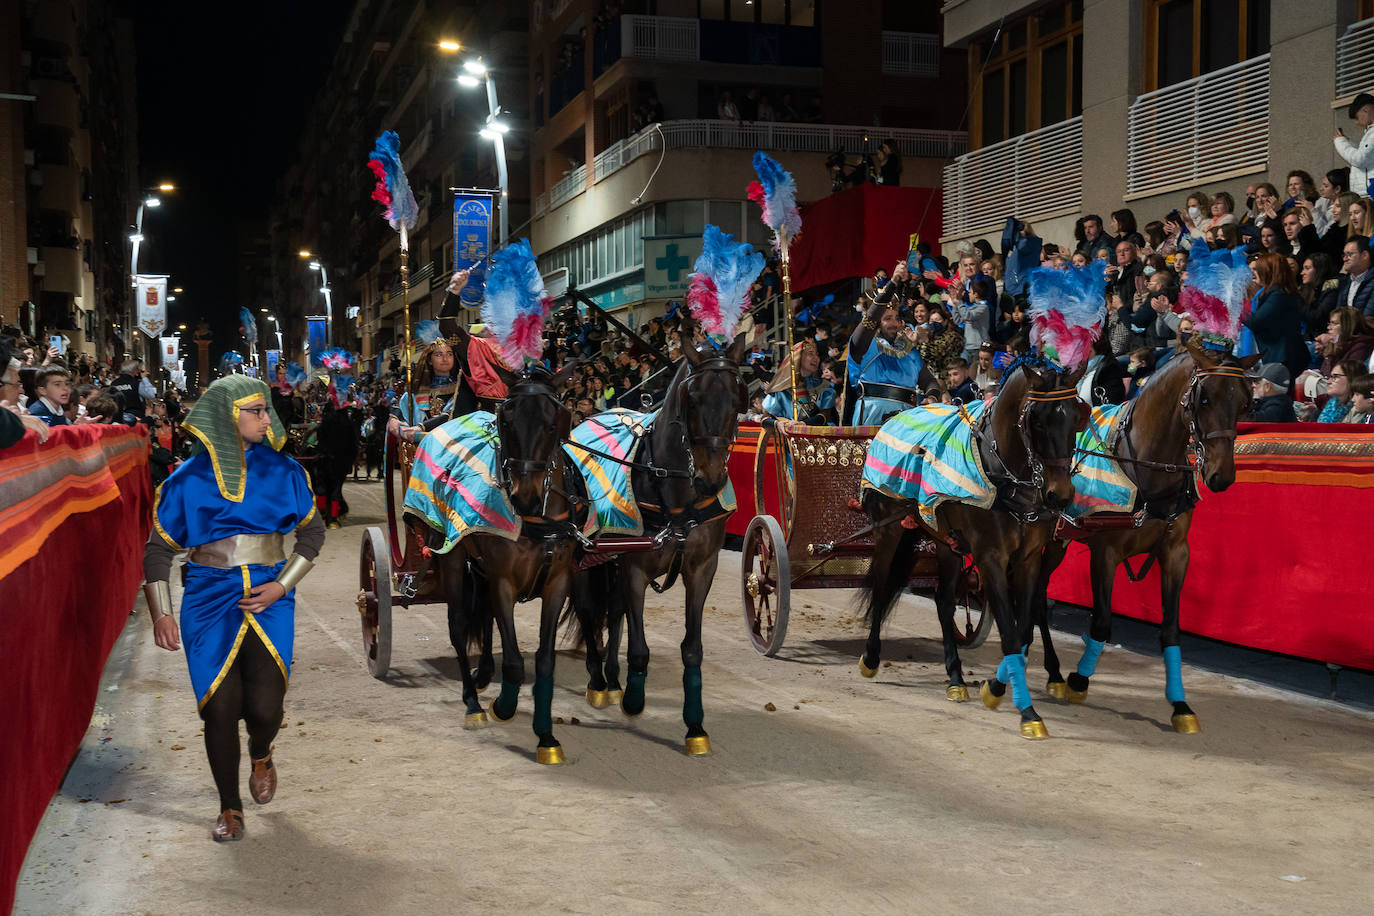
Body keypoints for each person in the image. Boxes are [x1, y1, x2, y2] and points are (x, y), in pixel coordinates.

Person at [142, 375, 325, 842]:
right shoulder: (184, 480)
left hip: (269, 596)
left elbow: (312, 534)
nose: (268, 419)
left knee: (265, 708)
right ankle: (229, 806)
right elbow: (158, 550)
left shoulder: (286, 472)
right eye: (256, 411)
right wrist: (161, 611)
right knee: (219, 709)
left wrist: (281, 588)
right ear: (228, 416)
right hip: (206, 600)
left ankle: (262, 751)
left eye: (267, 411)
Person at [848, 260, 924, 425]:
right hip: (874, 416)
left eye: (897, 318)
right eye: (887, 318)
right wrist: (893, 282)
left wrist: (932, 395)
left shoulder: (908, 349)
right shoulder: (863, 343)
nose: (894, 323)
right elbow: (870, 320)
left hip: (908, 419)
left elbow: (928, 380)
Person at [1245, 253, 1310, 384]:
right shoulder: (1274, 292)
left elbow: (1255, 322)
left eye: (1258, 269)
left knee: (1276, 398)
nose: (1254, 273)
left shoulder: (1278, 294)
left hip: (1283, 357)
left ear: (1268, 272)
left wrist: (1236, 308)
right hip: (1279, 356)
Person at [763, 338, 836, 424]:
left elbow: (825, 415)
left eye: (817, 354)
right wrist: (778, 424)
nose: (816, 358)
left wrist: (803, 424)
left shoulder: (824, 386)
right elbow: (765, 416)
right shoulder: (782, 388)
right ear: (798, 357)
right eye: (810, 354)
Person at [1334, 92, 1374, 200]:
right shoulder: (1370, 133)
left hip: (1370, 195)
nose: (1357, 123)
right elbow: (1367, 156)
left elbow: (1359, 159)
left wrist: (1340, 143)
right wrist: (1348, 143)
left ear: (1365, 110)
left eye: (1356, 118)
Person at [1335, 236, 1374, 316]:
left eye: (1349, 254)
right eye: (1344, 255)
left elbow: (1368, 319)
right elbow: (1338, 314)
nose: (1345, 259)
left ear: (1365, 255)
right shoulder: (1345, 281)